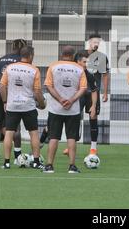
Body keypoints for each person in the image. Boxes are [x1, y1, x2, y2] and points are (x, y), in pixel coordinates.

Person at [43, 46, 87, 174]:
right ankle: (72, 166)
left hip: (56, 108)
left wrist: (60, 99)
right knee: (72, 138)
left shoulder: (53, 66)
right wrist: (71, 100)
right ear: (73, 55)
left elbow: (48, 86)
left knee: (53, 137)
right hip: (73, 109)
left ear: (62, 54)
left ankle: (49, 165)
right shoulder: (79, 69)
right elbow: (83, 88)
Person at [0, 46, 45, 169]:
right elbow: (37, 91)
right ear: (30, 55)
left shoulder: (9, 68)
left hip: (12, 105)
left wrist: (5, 101)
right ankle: (36, 162)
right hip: (28, 106)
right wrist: (42, 104)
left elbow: (2, 86)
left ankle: (7, 163)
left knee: (9, 133)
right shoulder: (34, 70)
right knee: (34, 133)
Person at [0, 39, 27, 163]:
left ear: (12, 46)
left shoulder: (1, 59)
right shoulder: (21, 61)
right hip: (13, 95)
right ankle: (17, 155)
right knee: (15, 127)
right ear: (23, 48)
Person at [62, 50, 98, 155]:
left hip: (90, 97)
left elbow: (94, 91)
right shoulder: (71, 72)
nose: (86, 64)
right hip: (78, 97)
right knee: (75, 120)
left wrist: (94, 106)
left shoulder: (89, 75)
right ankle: (71, 147)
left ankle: (93, 148)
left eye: (87, 62)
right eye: (84, 62)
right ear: (77, 62)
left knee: (93, 117)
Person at [85, 34, 110, 155]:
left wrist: (105, 92)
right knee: (73, 117)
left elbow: (105, 75)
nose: (96, 44)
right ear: (89, 42)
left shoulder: (102, 57)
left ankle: (93, 147)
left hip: (93, 92)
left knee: (93, 117)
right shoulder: (81, 55)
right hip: (79, 92)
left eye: (98, 42)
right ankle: (71, 143)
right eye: (94, 42)